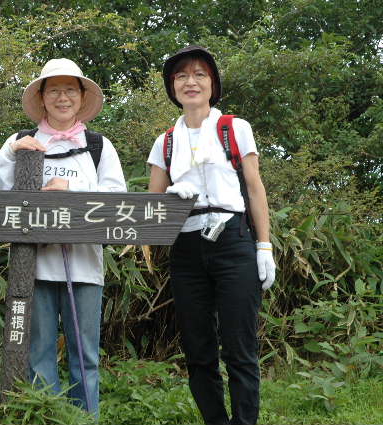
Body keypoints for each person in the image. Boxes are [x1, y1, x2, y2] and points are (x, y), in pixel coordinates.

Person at [0, 58, 126, 416]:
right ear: (42, 97)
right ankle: (49, 418)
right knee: (38, 355)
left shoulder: (98, 146)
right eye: (54, 91)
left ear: (82, 96)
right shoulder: (21, 141)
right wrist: (11, 156)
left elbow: (117, 201)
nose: (63, 98)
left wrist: (70, 192)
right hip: (34, 269)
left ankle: (84, 421)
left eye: (70, 90)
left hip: (85, 267)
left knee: (86, 357)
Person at [147, 45, 276, 425]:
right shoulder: (166, 141)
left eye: (200, 74)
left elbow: (254, 188)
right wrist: (173, 198)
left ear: (213, 84)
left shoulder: (234, 129)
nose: (191, 82)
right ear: (172, 87)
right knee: (198, 349)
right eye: (181, 76)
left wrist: (263, 246)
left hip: (233, 239)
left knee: (240, 345)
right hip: (187, 247)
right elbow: (153, 207)